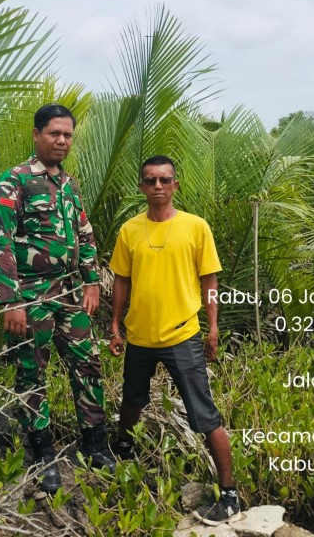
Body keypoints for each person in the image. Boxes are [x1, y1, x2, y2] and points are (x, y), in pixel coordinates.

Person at [0, 103, 115, 493]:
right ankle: (43, 454)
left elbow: (85, 234)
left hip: (71, 293)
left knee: (87, 364)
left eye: (67, 135)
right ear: (37, 135)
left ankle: (95, 445)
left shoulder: (69, 185)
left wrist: (92, 281)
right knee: (32, 372)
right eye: (54, 133)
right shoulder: (14, 181)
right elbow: (0, 241)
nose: (62, 140)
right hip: (30, 296)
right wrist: (10, 301)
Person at [108, 155, 240, 526]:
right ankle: (124, 450)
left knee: (204, 414)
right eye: (150, 180)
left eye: (165, 180)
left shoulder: (196, 227)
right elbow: (121, 280)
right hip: (140, 335)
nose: (158, 186)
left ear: (175, 185)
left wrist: (213, 327)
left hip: (182, 335)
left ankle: (229, 494)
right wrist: (114, 325)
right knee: (132, 399)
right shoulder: (130, 230)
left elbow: (209, 281)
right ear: (141, 187)